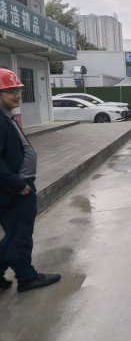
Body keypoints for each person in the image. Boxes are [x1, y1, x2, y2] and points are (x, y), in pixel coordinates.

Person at [0, 69, 61, 293]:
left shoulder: (7, 116)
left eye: (17, 90)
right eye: (9, 91)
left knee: (16, 236)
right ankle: (27, 278)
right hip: (15, 189)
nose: (16, 95)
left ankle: (23, 274)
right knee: (19, 237)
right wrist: (19, 185)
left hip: (17, 186)